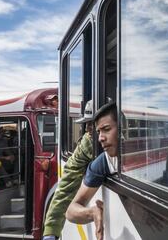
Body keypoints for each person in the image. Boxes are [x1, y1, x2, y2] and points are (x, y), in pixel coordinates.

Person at [42, 100, 95, 240]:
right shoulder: (85, 146)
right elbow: (66, 187)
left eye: (93, 124)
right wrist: (51, 230)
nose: (87, 129)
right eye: (87, 124)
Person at [66, 102, 118, 240]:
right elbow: (71, 211)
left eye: (106, 129)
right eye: (98, 132)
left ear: (123, 128)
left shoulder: (150, 153)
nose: (100, 138)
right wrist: (92, 213)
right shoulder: (103, 162)